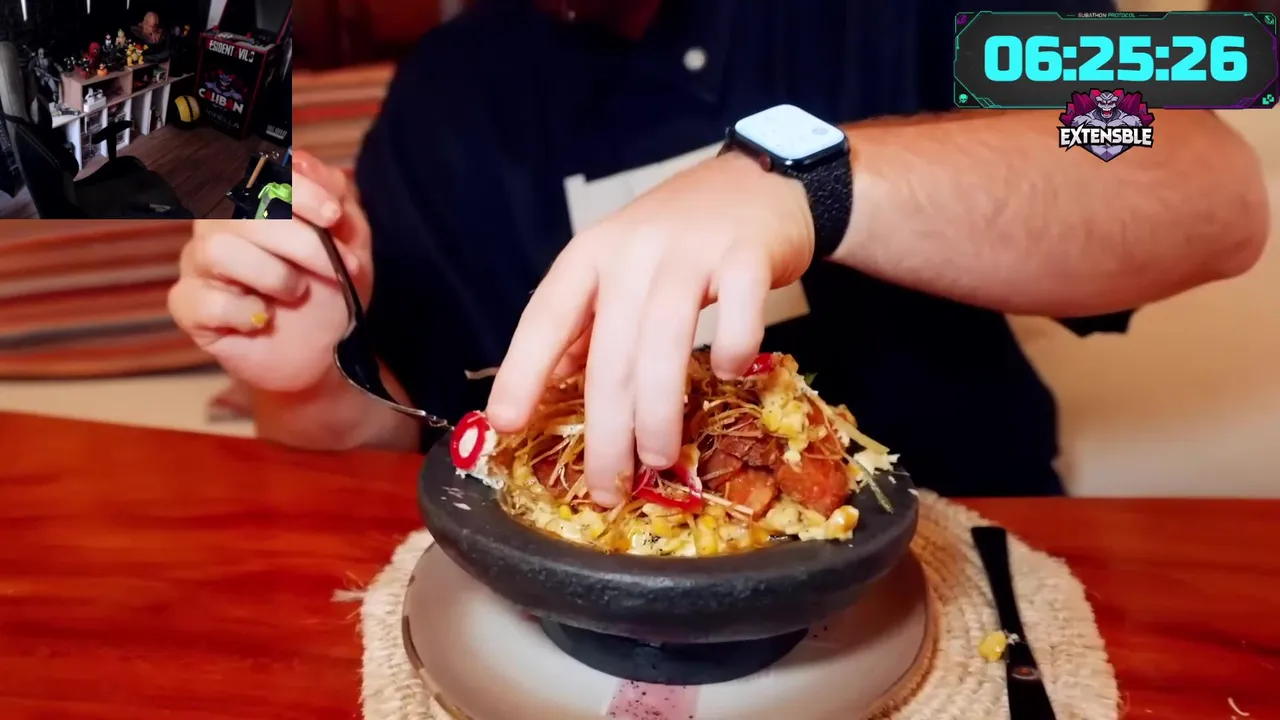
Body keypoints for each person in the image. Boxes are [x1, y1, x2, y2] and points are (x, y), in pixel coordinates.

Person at [168, 0, 1268, 507]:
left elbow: (1205, 174)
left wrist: (812, 182)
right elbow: (386, 456)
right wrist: (309, 374)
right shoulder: (444, 93)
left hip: (964, 579)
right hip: (585, 636)